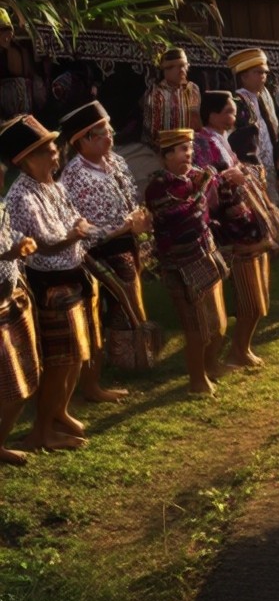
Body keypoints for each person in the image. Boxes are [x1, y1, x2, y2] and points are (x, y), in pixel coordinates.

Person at [4, 115, 95, 450]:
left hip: (70, 276)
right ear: (27, 159)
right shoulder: (21, 197)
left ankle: (59, 412)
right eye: (49, 151)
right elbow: (44, 242)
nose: (56, 155)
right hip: (48, 284)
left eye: (55, 149)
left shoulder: (52, 185)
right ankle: (41, 430)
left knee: (75, 355)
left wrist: (77, 226)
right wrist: (75, 233)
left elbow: (72, 215)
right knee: (59, 361)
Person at [58, 101, 150, 389]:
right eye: (102, 133)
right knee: (116, 302)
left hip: (128, 239)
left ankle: (135, 359)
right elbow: (86, 230)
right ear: (83, 141)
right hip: (99, 250)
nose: (110, 137)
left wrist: (139, 219)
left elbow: (130, 197)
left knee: (133, 294)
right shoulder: (75, 175)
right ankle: (119, 361)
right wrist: (125, 226)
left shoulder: (115, 161)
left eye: (110, 131)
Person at [144, 129, 231, 397]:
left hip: (206, 253)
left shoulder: (194, 177)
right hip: (180, 264)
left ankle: (211, 366)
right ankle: (197, 380)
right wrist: (201, 192)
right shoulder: (159, 188)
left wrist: (209, 186)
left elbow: (208, 209)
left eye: (191, 148)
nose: (189, 154)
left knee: (219, 322)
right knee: (196, 328)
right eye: (182, 149)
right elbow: (183, 216)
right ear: (166, 156)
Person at [192, 92, 274, 368]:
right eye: (228, 111)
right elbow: (204, 181)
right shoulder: (201, 142)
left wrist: (244, 173)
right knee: (249, 292)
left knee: (259, 290)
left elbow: (236, 169)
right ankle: (233, 352)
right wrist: (233, 177)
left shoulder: (222, 140)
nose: (233, 116)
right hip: (230, 226)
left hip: (245, 220)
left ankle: (242, 348)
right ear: (212, 115)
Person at [0, 162, 42, 464]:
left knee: (25, 377)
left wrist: (20, 248)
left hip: (11, 297)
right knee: (9, 385)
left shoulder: (1, 206)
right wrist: (10, 253)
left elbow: (11, 237)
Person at [229, 47, 279, 171]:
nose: (263, 76)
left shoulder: (265, 96)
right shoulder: (236, 101)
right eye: (258, 72)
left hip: (273, 166)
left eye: (264, 73)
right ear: (244, 77)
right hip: (250, 168)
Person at [142, 47, 201, 148]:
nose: (182, 70)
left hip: (189, 147)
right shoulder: (155, 94)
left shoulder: (192, 90)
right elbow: (152, 131)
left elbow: (196, 123)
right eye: (177, 67)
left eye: (184, 66)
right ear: (166, 70)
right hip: (160, 149)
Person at [0, 9, 41, 122]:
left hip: (20, 105)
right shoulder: (18, 50)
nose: (6, 36)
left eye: (7, 30)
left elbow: (28, 74)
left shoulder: (20, 50)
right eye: (3, 31)